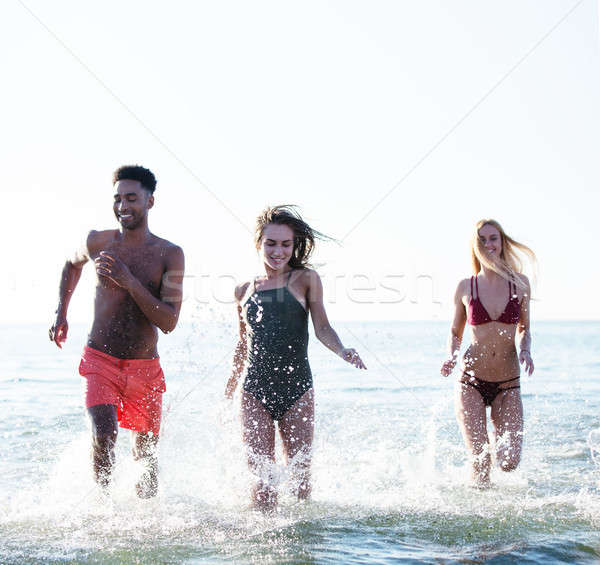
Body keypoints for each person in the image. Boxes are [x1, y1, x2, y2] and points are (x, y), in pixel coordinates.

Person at [49, 165, 184, 498]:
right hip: (100, 360)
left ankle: (146, 524)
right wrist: (60, 312)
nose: (123, 206)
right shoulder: (100, 241)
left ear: (150, 201)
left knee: (146, 459)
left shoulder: (169, 254)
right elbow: (71, 263)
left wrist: (129, 281)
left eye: (132, 198)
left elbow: (168, 322)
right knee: (104, 432)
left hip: (145, 368)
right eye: (118, 198)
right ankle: (103, 509)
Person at [225, 205, 366, 511]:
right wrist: (232, 379)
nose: (278, 251)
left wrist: (342, 350)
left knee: (300, 481)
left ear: (294, 246)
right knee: (262, 481)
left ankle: (302, 544)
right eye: (271, 243)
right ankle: (263, 543)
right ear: (258, 244)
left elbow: (323, 328)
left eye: (285, 244)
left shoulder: (305, 279)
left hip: (297, 389)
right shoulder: (243, 290)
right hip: (254, 390)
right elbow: (242, 342)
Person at [440, 219, 536, 488]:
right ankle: (476, 519)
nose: (488, 244)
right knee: (480, 463)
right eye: (482, 240)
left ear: (502, 242)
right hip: (470, 381)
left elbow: (525, 327)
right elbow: (455, 332)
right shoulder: (465, 286)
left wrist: (526, 350)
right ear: (475, 246)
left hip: (508, 382)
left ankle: (492, 441)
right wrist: (451, 355)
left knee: (508, 462)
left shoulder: (520, 284)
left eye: (493, 238)